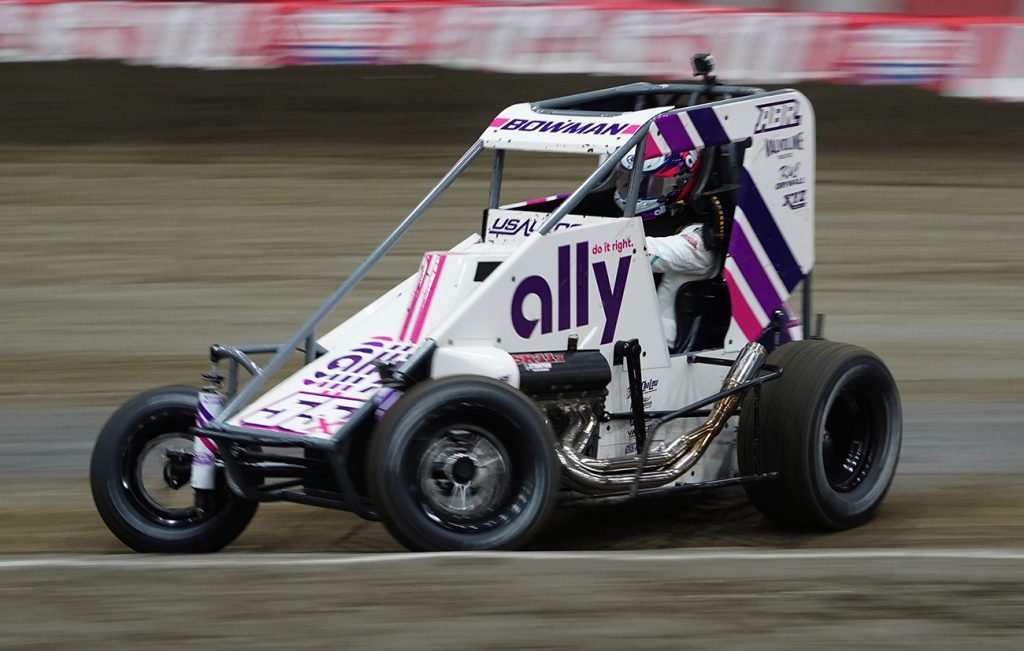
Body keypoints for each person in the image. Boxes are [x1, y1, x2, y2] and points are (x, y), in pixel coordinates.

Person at [612, 149, 720, 345]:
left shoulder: (701, 240)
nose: (635, 191)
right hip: (621, 337)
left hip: (661, 351)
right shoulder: (633, 220)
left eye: (650, 185)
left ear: (680, 184)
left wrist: (596, 245)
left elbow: (653, 252)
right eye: (629, 181)